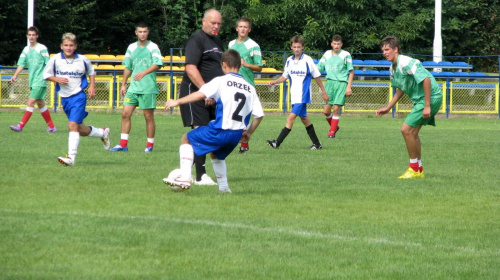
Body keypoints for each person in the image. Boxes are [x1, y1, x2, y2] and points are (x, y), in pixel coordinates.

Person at [163, 49, 264, 193]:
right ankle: (223, 188)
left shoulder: (221, 81)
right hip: (236, 135)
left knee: (186, 138)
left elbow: (200, 94)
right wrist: (248, 133)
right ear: (239, 65)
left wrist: (177, 101)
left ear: (223, 64)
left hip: (220, 130)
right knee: (216, 154)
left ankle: (185, 177)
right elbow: (259, 115)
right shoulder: (250, 87)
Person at [376, 36, 443, 179]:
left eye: (387, 49)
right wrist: (388, 107)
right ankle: (418, 170)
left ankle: (413, 168)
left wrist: (426, 106)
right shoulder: (392, 68)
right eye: (383, 50)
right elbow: (401, 88)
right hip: (423, 100)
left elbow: (425, 79)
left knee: (405, 130)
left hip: (430, 98)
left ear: (396, 49)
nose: (385, 53)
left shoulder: (406, 62)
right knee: (412, 133)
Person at [43, 33, 110, 166]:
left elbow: (91, 72)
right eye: (66, 45)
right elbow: (46, 74)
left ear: (75, 46)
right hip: (65, 98)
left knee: (71, 125)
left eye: (71, 45)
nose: (68, 48)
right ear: (61, 46)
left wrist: (92, 86)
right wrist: (56, 79)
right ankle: (103, 132)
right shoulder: (55, 59)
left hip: (78, 96)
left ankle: (71, 158)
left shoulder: (83, 60)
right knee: (80, 129)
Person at [178, 9, 224, 185]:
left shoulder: (217, 41)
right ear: (203, 22)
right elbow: (191, 68)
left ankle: (186, 172)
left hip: (210, 96)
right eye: (213, 23)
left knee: (212, 132)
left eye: (219, 23)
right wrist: (206, 91)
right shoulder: (196, 40)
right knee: (201, 132)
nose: (216, 26)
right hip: (194, 93)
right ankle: (200, 175)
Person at [109, 22, 163, 153]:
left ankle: (149, 145)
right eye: (140, 32)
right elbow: (128, 66)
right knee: (125, 114)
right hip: (133, 88)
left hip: (147, 87)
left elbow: (158, 64)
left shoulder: (153, 47)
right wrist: (123, 84)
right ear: (136, 33)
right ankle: (123, 144)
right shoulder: (131, 47)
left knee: (148, 117)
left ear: (148, 32)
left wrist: (143, 73)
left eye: (145, 31)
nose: (142, 34)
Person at [266, 35, 326, 150]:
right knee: (304, 119)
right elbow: (285, 76)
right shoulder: (289, 60)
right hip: (294, 95)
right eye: (295, 47)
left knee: (290, 118)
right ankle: (317, 144)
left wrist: (324, 92)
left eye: (299, 47)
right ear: (291, 47)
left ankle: (277, 143)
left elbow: (317, 76)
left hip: (303, 95)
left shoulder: (307, 60)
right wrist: (275, 81)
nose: (297, 49)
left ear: (303, 47)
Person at [10, 26, 56, 133]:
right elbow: (21, 64)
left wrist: (53, 78)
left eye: (33, 35)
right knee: (40, 103)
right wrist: (15, 75)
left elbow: (48, 64)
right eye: (29, 35)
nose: (31, 37)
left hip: (40, 80)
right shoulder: (26, 50)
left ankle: (20, 126)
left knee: (30, 102)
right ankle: (52, 127)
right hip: (33, 80)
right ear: (27, 36)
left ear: (37, 36)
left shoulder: (42, 48)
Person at [228, 16, 264, 154]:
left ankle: (246, 137)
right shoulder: (231, 44)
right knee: (236, 116)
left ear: (249, 29)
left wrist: (246, 64)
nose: (242, 29)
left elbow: (259, 67)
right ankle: (243, 146)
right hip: (232, 84)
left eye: (245, 27)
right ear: (237, 28)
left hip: (247, 85)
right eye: (240, 26)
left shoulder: (253, 45)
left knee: (255, 115)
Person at [316, 34, 354, 139]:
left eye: (338, 44)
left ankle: (331, 133)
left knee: (336, 108)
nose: (336, 46)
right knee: (326, 111)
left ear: (341, 44)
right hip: (329, 83)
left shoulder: (346, 54)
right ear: (331, 44)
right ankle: (335, 127)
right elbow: (319, 67)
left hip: (341, 83)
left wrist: (348, 87)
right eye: (335, 44)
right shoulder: (327, 54)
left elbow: (351, 72)